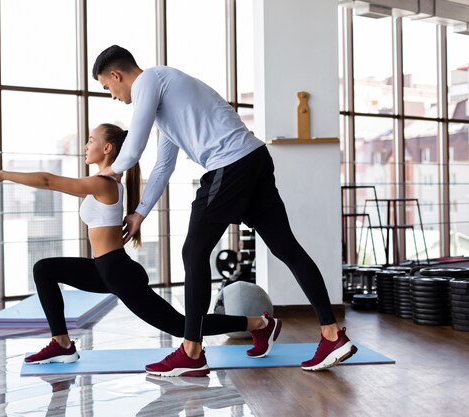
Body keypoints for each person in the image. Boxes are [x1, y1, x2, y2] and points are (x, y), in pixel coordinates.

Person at [92, 45, 357, 374]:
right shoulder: (167, 102)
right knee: (286, 247)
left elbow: (134, 146)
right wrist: (140, 213)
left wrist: (112, 171)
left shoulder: (150, 81)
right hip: (253, 159)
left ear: (116, 75)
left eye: (108, 87)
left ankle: (191, 352)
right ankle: (332, 334)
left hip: (229, 165)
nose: (113, 95)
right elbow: (162, 167)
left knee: (194, 252)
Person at [0, 123, 279, 376]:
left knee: (179, 325)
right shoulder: (105, 182)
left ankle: (259, 323)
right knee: (44, 269)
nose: (85, 146)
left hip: (117, 272)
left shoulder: (104, 183)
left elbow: (48, 181)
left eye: (91, 140)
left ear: (108, 148)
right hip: (104, 268)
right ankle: (61, 343)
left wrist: (3, 174)